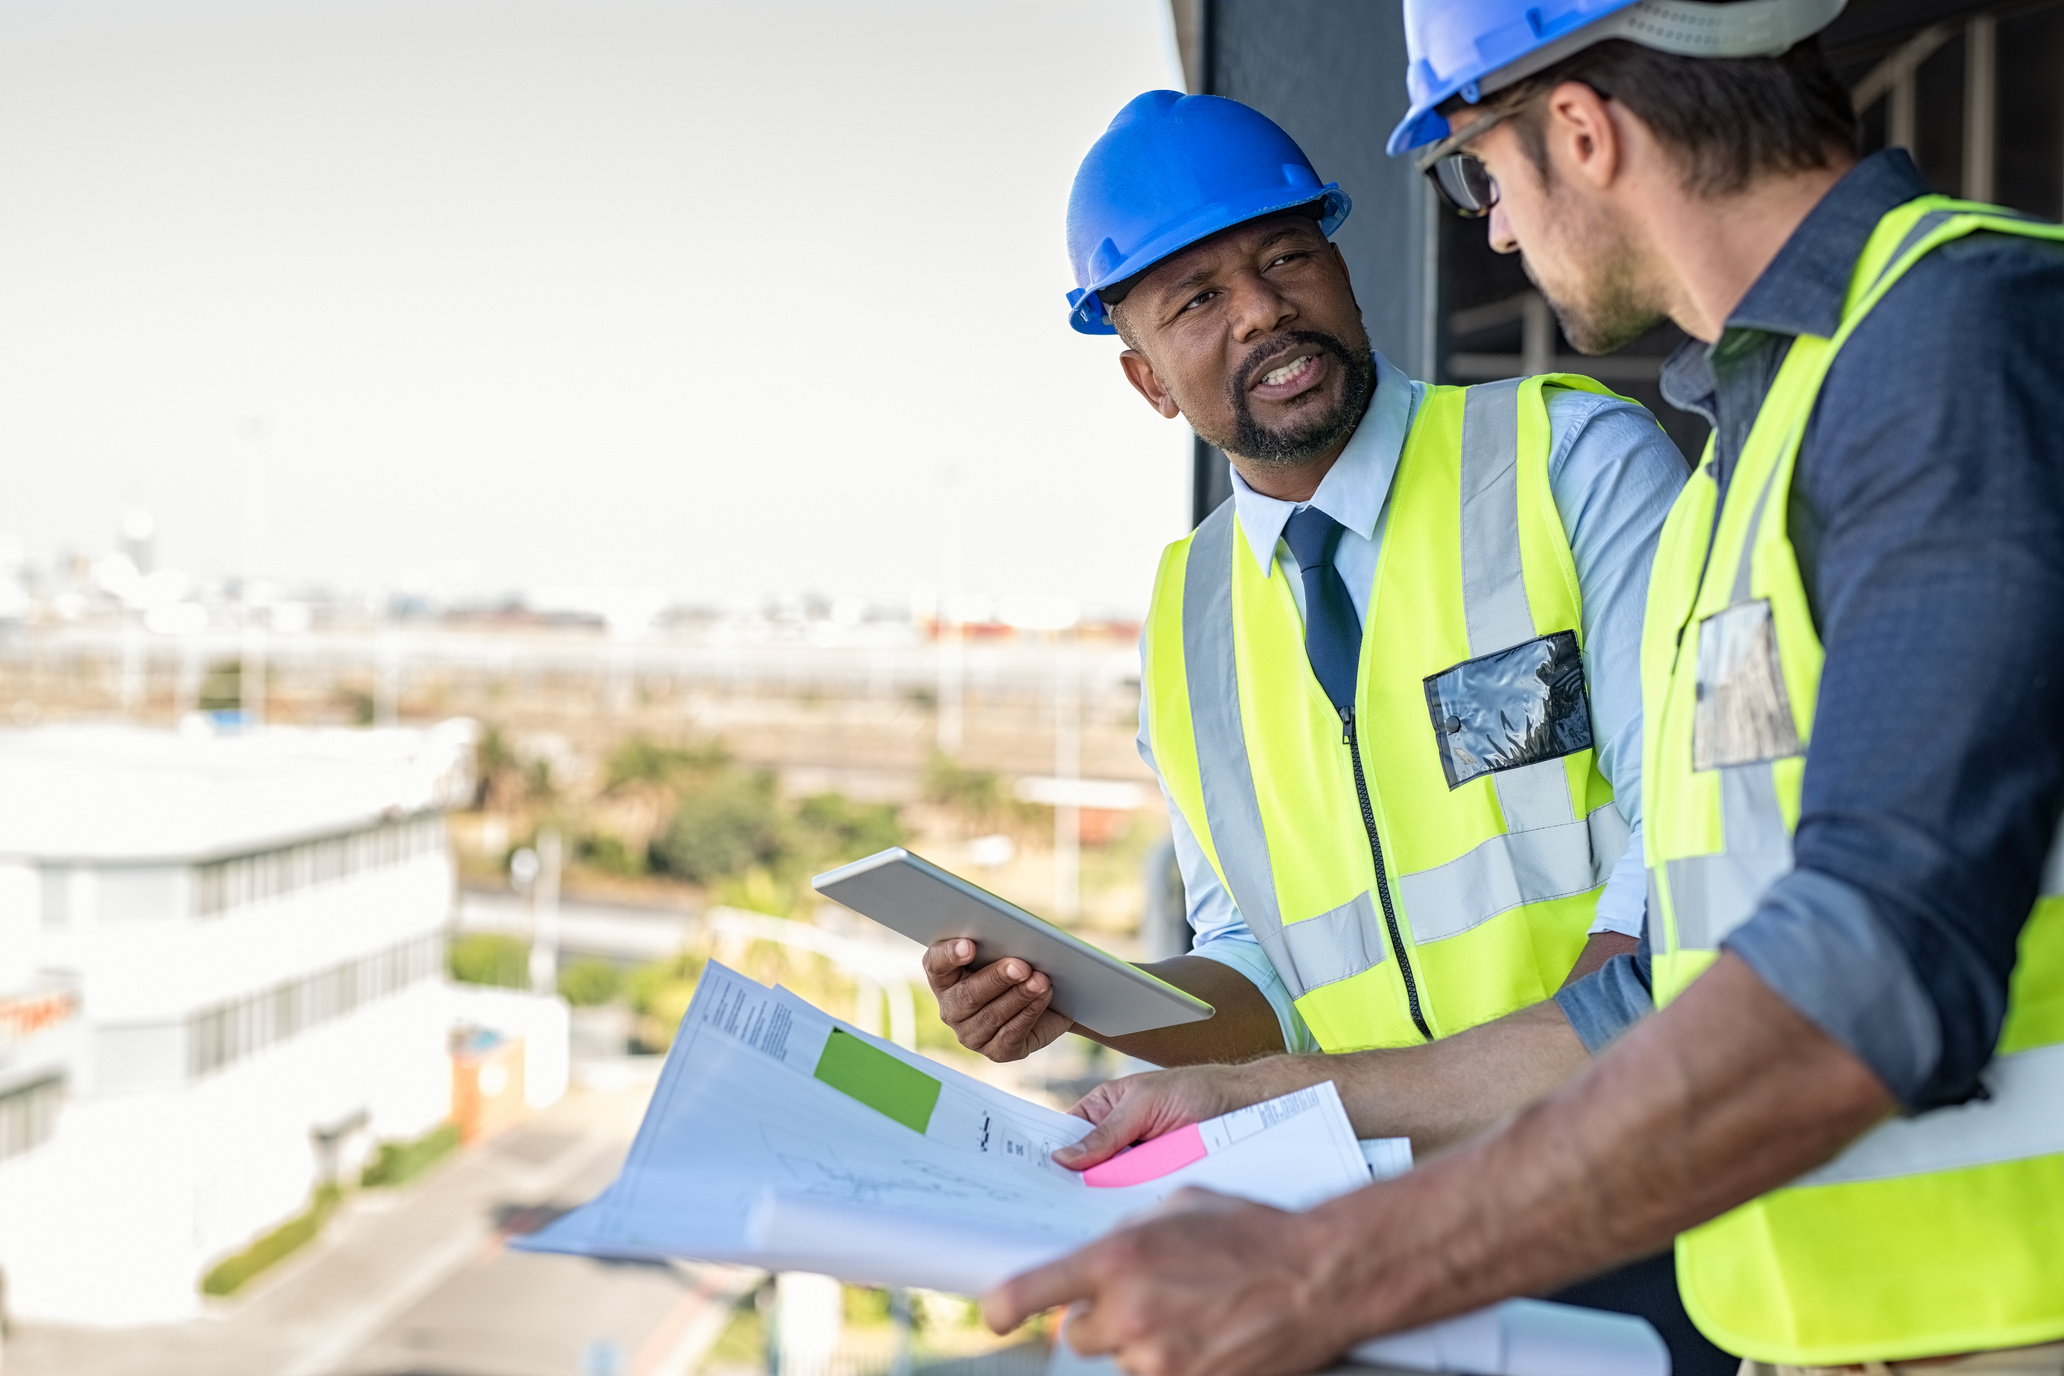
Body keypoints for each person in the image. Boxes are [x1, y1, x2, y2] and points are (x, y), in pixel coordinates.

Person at [982, 2, 2064, 1374]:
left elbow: (1868, 962)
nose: (1490, 226)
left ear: (1580, 131)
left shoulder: (1951, 343)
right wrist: (1224, 1082)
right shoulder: (1767, 435)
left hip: (2000, 1312)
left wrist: (1327, 1272)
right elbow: (1674, 982)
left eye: (1477, 171)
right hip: (1808, 1309)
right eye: (1197, 298)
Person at [922, 89, 1719, 1367]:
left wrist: (1547, 1117)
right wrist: (1081, 997)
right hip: (1367, 1241)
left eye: (1285, 255)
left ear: (1341, 262)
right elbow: (1259, 974)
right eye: (1196, 299)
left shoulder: (1569, 461)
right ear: (1145, 378)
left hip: (1641, 1177)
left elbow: (1687, 846)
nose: (1262, 309)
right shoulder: (1185, 622)